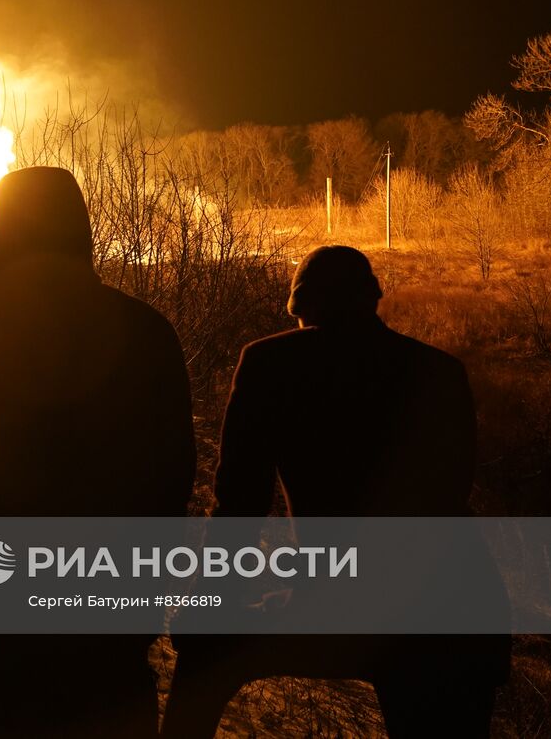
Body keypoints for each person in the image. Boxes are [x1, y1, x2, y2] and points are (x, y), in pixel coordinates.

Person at [161, 245, 510, 739]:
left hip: (350, 602)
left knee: (204, 661)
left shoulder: (269, 363)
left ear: (300, 309)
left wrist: (208, 606)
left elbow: (240, 506)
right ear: (373, 300)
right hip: (459, 606)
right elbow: (449, 495)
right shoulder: (439, 370)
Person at [0, 166, 196, 738]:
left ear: (0, 235)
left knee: (4, 704)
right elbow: (176, 469)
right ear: (82, 232)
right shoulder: (148, 331)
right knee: (113, 702)